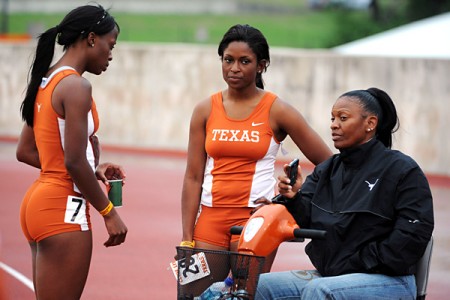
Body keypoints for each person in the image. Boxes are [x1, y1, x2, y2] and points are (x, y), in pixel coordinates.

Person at [179, 24, 332, 288]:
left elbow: (328, 163)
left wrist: (296, 193)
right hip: (209, 221)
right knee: (191, 293)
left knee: (243, 295)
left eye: (244, 61)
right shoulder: (204, 109)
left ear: (261, 65)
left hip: (255, 220)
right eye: (228, 60)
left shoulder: (278, 110)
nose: (234, 68)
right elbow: (193, 177)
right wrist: (186, 236)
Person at [255, 87, 434, 300]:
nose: (333, 124)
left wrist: (361, 261)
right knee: (257, 286)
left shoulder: (403, 170)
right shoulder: (327, 169)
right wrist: (293, 198)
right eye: (332, 118)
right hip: (332, 276)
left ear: (370, 124)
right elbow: (305, 221)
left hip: (389, 279)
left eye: (343, 118)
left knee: (318, 291)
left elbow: (412, 235)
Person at [16, 5, 128, 299]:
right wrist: (108, 211)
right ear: (92, 38)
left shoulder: (46, 79)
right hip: (63, 208)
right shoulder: (77, 86)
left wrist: (92, 168)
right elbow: (73, 160)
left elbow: (26, 151)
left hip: (38, 203)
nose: (111, 55)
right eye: (110, 45)